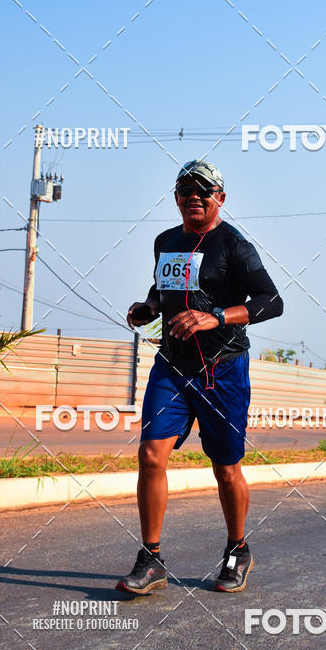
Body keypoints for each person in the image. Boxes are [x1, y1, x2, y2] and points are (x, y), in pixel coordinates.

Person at [117, 159, 283, 595]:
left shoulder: (235, 246)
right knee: (151, 455)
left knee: (226, 469)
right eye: (185, 190)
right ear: (175, 198)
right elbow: (162, 290)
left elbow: (271, 302)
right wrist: (149, 308)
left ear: (219, 199)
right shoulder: (165, 241)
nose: (194, 196)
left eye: (203, 191)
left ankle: (237, 551)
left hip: (222, 371)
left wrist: (216, 317)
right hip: (172, 366)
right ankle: (151, 559)